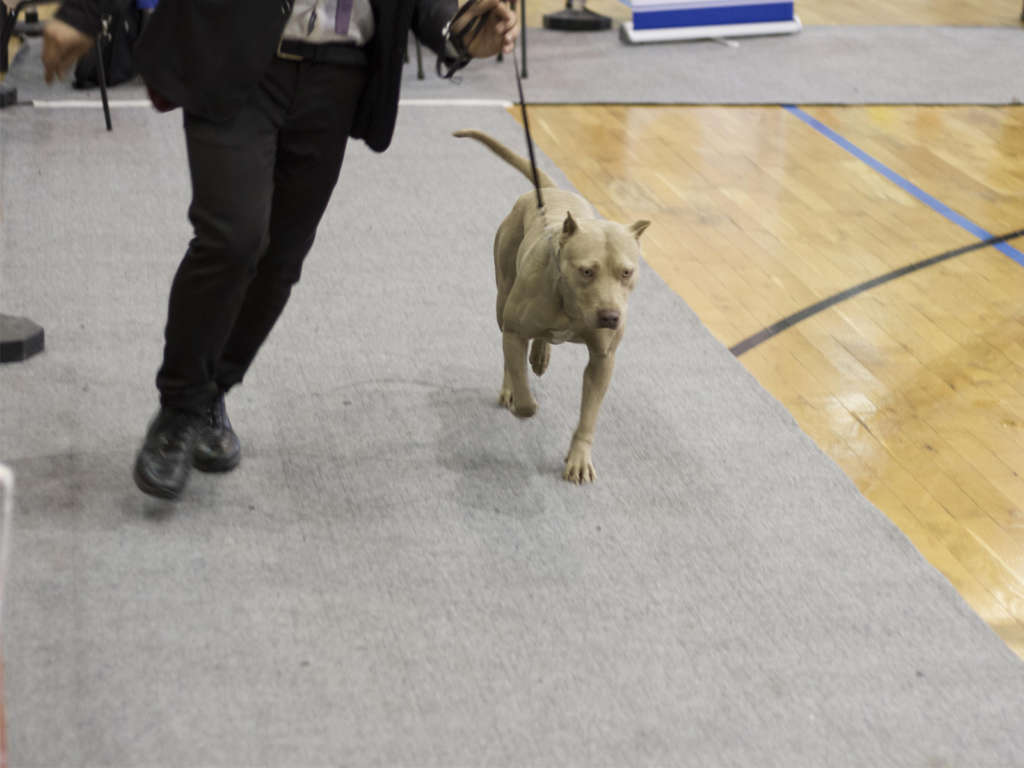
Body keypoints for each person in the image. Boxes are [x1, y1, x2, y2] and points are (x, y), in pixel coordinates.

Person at [42, 0, 518, 500]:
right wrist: (83, 10)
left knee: (281, 259)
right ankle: (179, 410)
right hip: (234, 52)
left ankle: (212, 391)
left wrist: (456, 31)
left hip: (338, 73)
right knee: (233, 237)